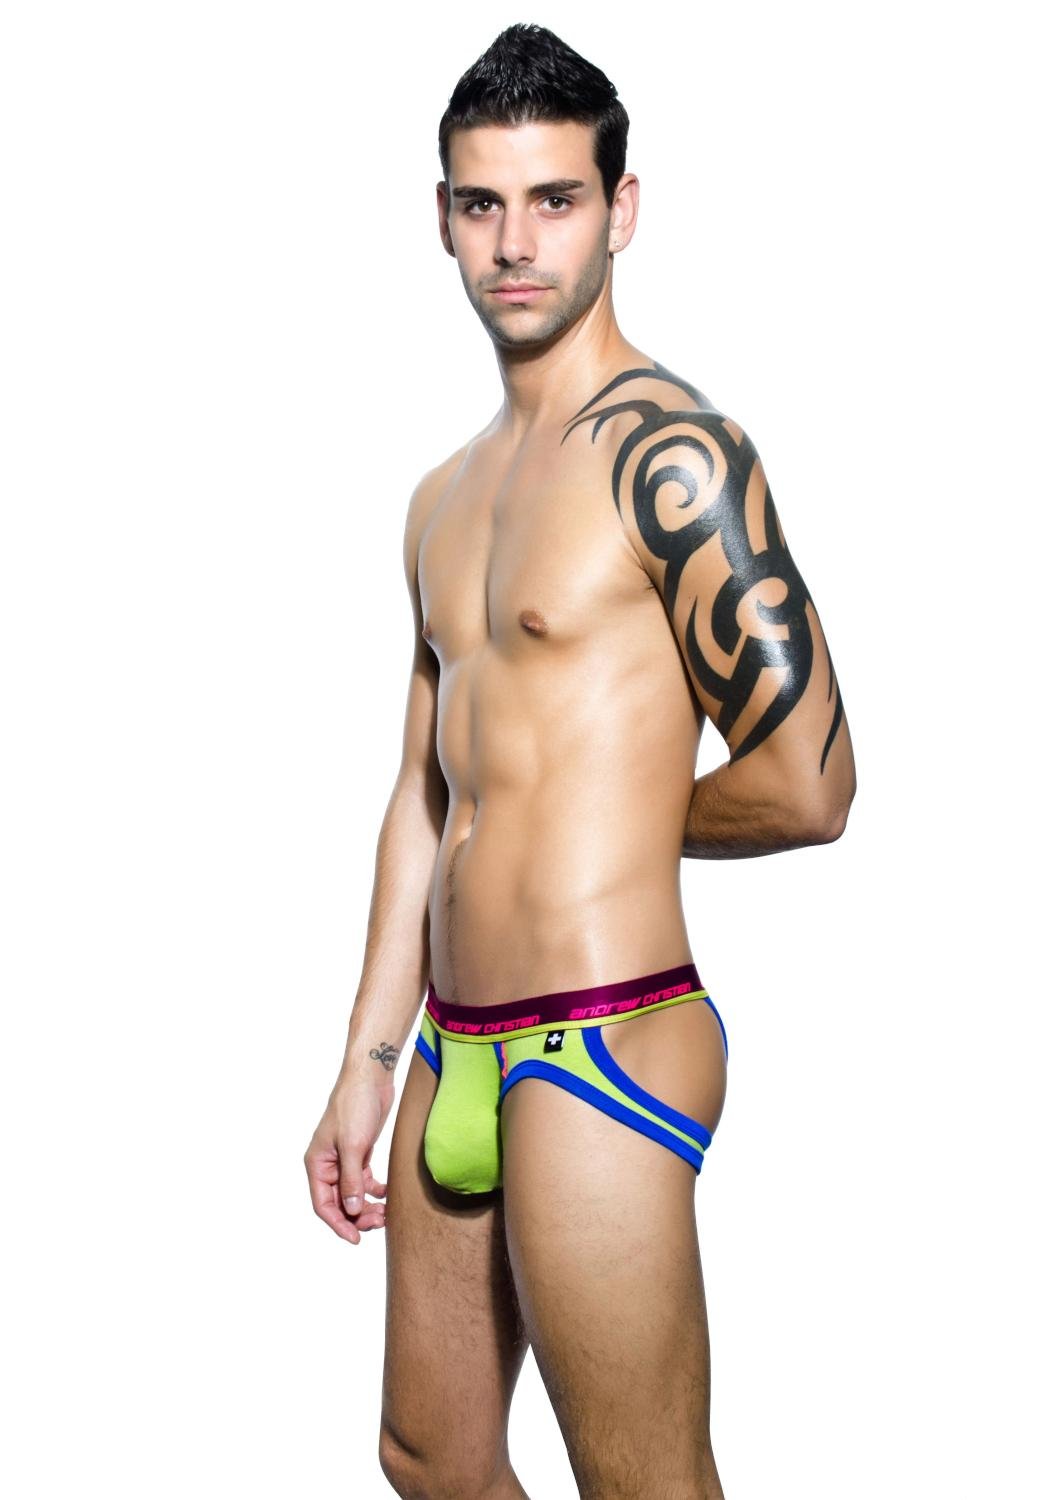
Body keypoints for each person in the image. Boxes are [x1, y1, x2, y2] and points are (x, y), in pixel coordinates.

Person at [304, 21, 857, 1499]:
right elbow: (423, 800)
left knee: (641, 1481)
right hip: (455, 1038)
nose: (515, 243)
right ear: (440, 217)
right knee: (430, 1458)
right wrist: (365, 1061)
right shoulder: (442, 497)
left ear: (622, 210)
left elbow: (809, 782)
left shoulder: (674, 456)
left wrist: (613, 822)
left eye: (555, 199)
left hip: (603, 1036)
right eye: (482, 203)